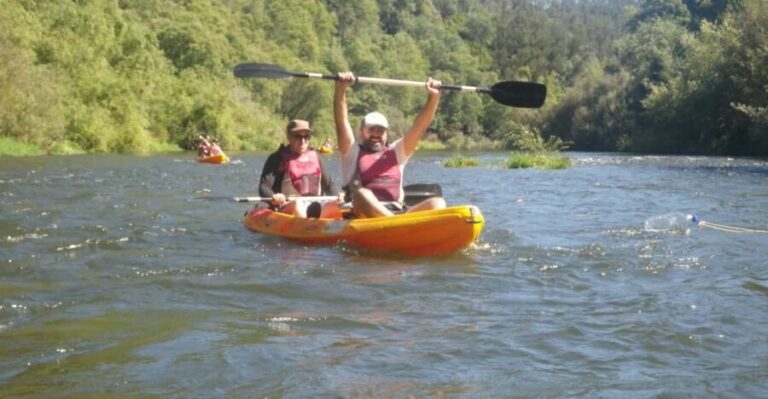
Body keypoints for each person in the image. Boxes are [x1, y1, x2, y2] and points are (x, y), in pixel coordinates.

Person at [334, 72, 447, 218]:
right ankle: (394, 222)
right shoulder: (352, 152)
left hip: (397, 213)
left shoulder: (397, 152)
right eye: (371, 130)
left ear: (386, 133)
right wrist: (341, 89)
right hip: (364, 216)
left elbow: (419, 127)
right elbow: (341, 122)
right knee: (362, 194)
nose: (376, 134)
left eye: (380, 130)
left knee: (438, 203)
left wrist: (434, 97)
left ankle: (396, 223)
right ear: (361, 132)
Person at [258, 119, 343, 218]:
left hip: (316, 203)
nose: (303, 141)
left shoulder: (316, 156)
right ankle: (309, 222)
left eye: (306, 136)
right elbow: (264, 187)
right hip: (289, 205)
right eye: (298, 136)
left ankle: (319, 219)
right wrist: (274, 196)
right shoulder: (276, 158)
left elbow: (328, 185)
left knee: (334, 204)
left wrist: (337, 196)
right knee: (298, 204)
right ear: (289, 137)